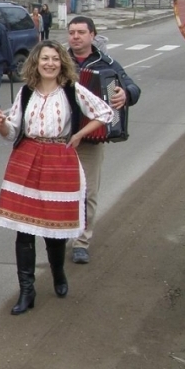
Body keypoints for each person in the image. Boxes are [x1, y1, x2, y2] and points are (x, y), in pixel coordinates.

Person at [0, 41, 114, 315]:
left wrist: (80, 134)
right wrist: (1, 124)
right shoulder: (25, 92)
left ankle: (58, 273)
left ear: (62, 63)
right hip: (26, 157)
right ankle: (27, 290)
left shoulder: (72, 90)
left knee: (55, 230)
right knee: (23, 230)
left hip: (60, 159)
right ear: (35, 62)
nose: (49, 63)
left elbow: (105, 112)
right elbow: (12, 132)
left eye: (55, 59)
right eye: (44, 58)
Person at [66, 16, 140, 264]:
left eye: (81, 32)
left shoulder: (107, 63)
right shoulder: (58, 60)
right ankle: (62, 233)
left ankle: (81, 241)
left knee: (87, 191)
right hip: (59, 137)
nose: (75, 37)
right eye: (72, 32)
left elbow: (132, 86)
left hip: (89, 140)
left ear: (92, 35)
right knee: (62, 189)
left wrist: (124, 94)